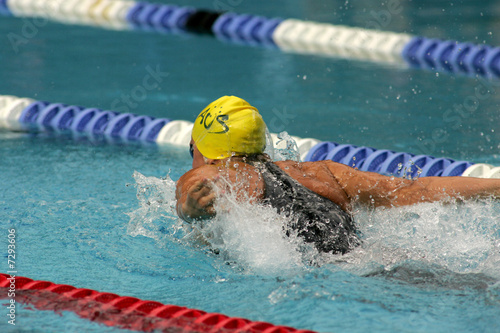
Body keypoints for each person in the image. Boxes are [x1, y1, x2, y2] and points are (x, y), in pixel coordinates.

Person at [176, 96, 500, 254]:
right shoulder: (324, 172)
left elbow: (193, 187)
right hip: (366, 260)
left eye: (193, 148)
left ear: (205, 150)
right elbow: (417, 189)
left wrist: (188, 209)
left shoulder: (212, 174)